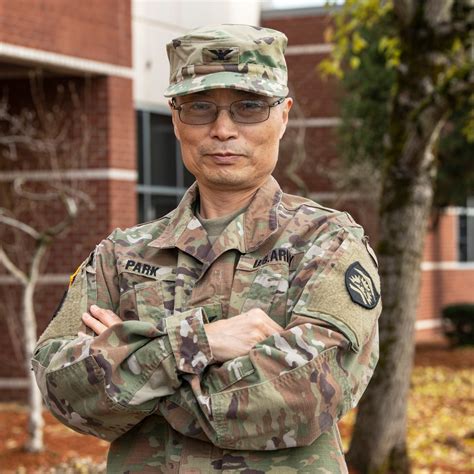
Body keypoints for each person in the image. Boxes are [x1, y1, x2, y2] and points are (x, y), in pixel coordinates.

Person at [32, 24, 381, 473]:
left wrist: (136, 371)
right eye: (200, 107)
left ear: (284, 115)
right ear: (176, 119)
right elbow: (60, 386)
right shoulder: (121, 255)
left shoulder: (327, 243)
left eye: (249, 107)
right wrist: (197, 344)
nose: (222, 130)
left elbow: (308, 394)